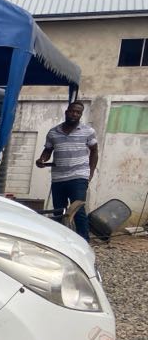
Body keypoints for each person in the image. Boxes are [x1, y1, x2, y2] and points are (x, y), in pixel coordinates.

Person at [35, 100, 98, 241]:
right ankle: (61, 241)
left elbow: (94, 152)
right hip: (58, 177)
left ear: (81, 115)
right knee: (59, 210)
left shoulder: (88, 131)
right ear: (66, 112)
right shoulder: (53, 132)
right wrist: (42, 159)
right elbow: (48, 150)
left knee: (78, 210)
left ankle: (84, 241)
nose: (74, 114)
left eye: (78, 112)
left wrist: (90, 173)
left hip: (79, 176)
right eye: (72, 111)